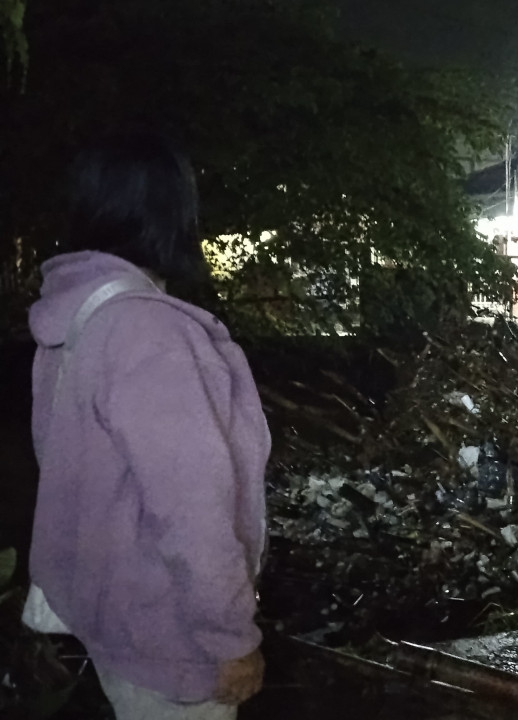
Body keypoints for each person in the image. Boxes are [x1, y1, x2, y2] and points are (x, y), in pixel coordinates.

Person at [24, 132, 270, 719]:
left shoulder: (80, 317)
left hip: (111, 611)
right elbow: (192, 507)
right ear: (171, 211)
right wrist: (231, 639)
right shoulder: (150, 332)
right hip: (170, 633)